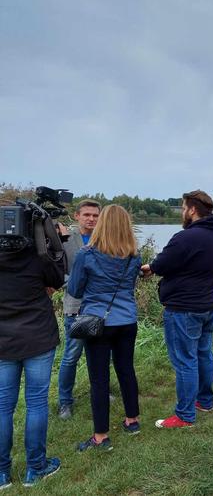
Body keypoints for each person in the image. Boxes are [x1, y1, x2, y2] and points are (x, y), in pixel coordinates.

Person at [141, 190, 213, 427]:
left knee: (185, 361)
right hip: (209, 305)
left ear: (192, 209)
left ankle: (185, 415)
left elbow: (163, 263)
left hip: (185, 309)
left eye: (183, 207)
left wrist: (150, 267)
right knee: (203, 353)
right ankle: (205, 401)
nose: (182, 211)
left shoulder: (186, 237)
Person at [67, 205, 143, 451]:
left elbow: (75, 290)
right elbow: (130, 285)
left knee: (99, 379)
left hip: (98, 322)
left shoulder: (86, 254)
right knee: (126, 370)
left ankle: (101, 436)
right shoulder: (134, 255)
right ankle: (132, 421)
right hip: (127, 320)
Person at [1, 230, 65, 488]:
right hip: (38, 336)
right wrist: (54, 240)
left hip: (3, 341)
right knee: (36, 403)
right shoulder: (36, 255)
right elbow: (58, 279)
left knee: (3, 406)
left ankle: (2, 473)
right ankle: (35, 468)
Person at [57, 199, 101, 420]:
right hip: (75, 307)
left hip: (100, 308)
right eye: (87, 215)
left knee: (100, 354)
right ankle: (65, 401)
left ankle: (100, 391)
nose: (91, 219)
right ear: (77, 216)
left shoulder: (104, 239)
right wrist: (76, 283)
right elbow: (56, 272)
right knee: (71, 356)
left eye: (95, 215)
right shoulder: (65, 240)